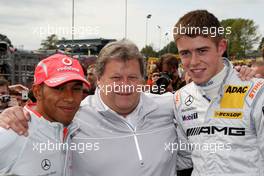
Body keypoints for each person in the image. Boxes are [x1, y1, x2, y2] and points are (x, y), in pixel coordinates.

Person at [0, 39, 257, 176]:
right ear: (98, 79)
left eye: (132, 78)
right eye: (115, 78)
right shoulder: (76, 113)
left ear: (143, 80)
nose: (124, 86)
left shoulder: (170, 104)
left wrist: (236, 75)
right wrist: (13, 115)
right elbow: (43, 118)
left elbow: (206, 95)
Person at [173, 10, 264, 175]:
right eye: (185, 53)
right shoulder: (180, 98)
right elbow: (185, 160)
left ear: (221, 47)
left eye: (202, 51)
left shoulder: (256, 92)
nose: (193, 62)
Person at [0, 53, 90, 175]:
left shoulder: (77, 127)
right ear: (37, 92)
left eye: (76, 89)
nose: (70, 98)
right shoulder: (14, 130)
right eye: (59, 88)